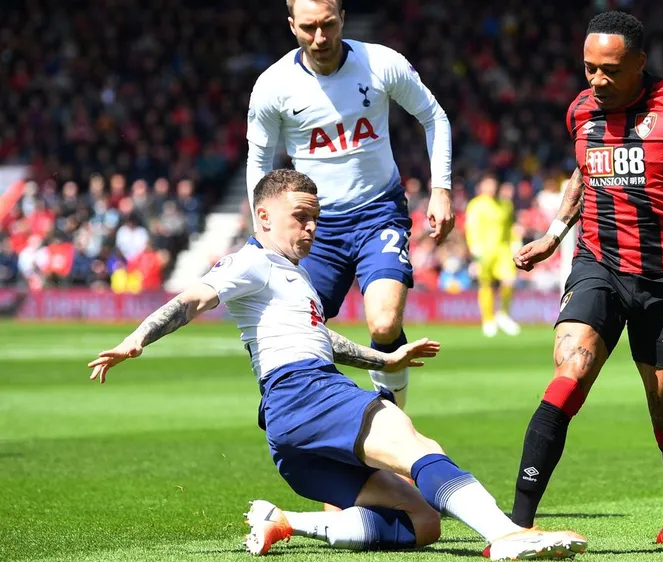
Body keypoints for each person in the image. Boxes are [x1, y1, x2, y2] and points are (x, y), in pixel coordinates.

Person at [87, 169, 586, 560]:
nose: (310, 229)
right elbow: (193, 298)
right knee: (419, 446)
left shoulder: (292, 277)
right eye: (299, 217)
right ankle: (505, 534)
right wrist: (138, 339)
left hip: (289, 432)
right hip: (306, 392)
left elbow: (319, 336)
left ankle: (284, 520)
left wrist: (385, 356)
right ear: (263, 217)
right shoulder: (251, 261)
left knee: (422, 522)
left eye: (314, 219)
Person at [508, 11, 663, 544]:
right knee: (569, 372)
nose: (595, 81)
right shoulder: (581, 110)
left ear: (640, 64)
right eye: (588, 69)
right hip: (598, 265)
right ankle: (516, 526)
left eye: (609, 70)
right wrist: (553, 236)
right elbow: (584, 170)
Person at [246, 0, 456, 412]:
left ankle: (393, 420)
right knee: (293, 331)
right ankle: (313, 418)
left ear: (342, 18)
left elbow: (434, 116)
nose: (320, 37)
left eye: (328, 24)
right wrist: (264, 226)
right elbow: (258, 161)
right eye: (308, 28)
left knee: (383, 322)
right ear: (292, 26)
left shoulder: (381, 63)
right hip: (314, 228)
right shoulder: (273, 85)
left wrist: (442, 188)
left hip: (378, 212)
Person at [465, 174, 521, 337]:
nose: (491, 188)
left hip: (503, 250)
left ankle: (503, 314)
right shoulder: (476, 205)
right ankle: (488, 319)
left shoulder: (505, 204)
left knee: (509, 281)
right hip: (484, 251)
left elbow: (510, 226)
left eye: (493, 185)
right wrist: (475, 249)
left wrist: (515, 243)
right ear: (481, 187)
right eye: (487, 185)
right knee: (486, 284)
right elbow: (472, 228)